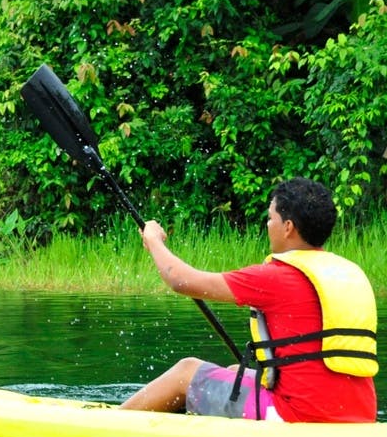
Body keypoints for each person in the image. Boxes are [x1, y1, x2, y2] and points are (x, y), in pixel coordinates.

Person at [120, 177, 377, 422]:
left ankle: (110, 423)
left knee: (186, 372)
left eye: (270, 218)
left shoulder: (277, 277)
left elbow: (181, 280)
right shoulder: (350, 273)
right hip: (360, 411)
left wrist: (154, 241)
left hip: (300, 415)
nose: (268, 225)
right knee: (234, 371)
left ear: (288, 227)